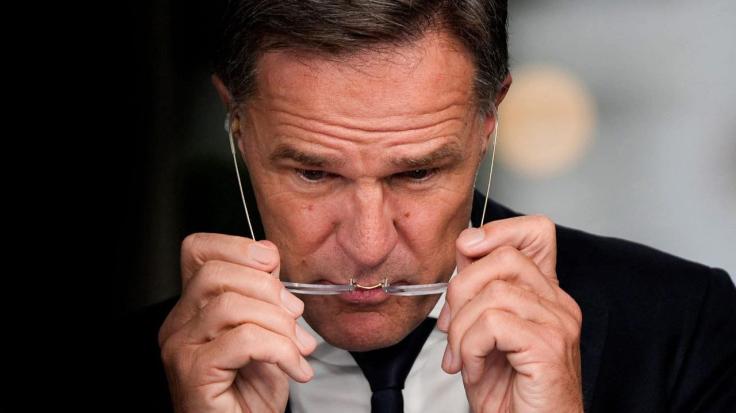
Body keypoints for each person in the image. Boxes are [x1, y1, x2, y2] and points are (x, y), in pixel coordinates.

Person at [113, 1, 736, 412]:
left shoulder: (684, 330)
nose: (368, 247)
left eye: (417, 173)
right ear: (239, 126)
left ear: (487, 122)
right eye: (313, 173)